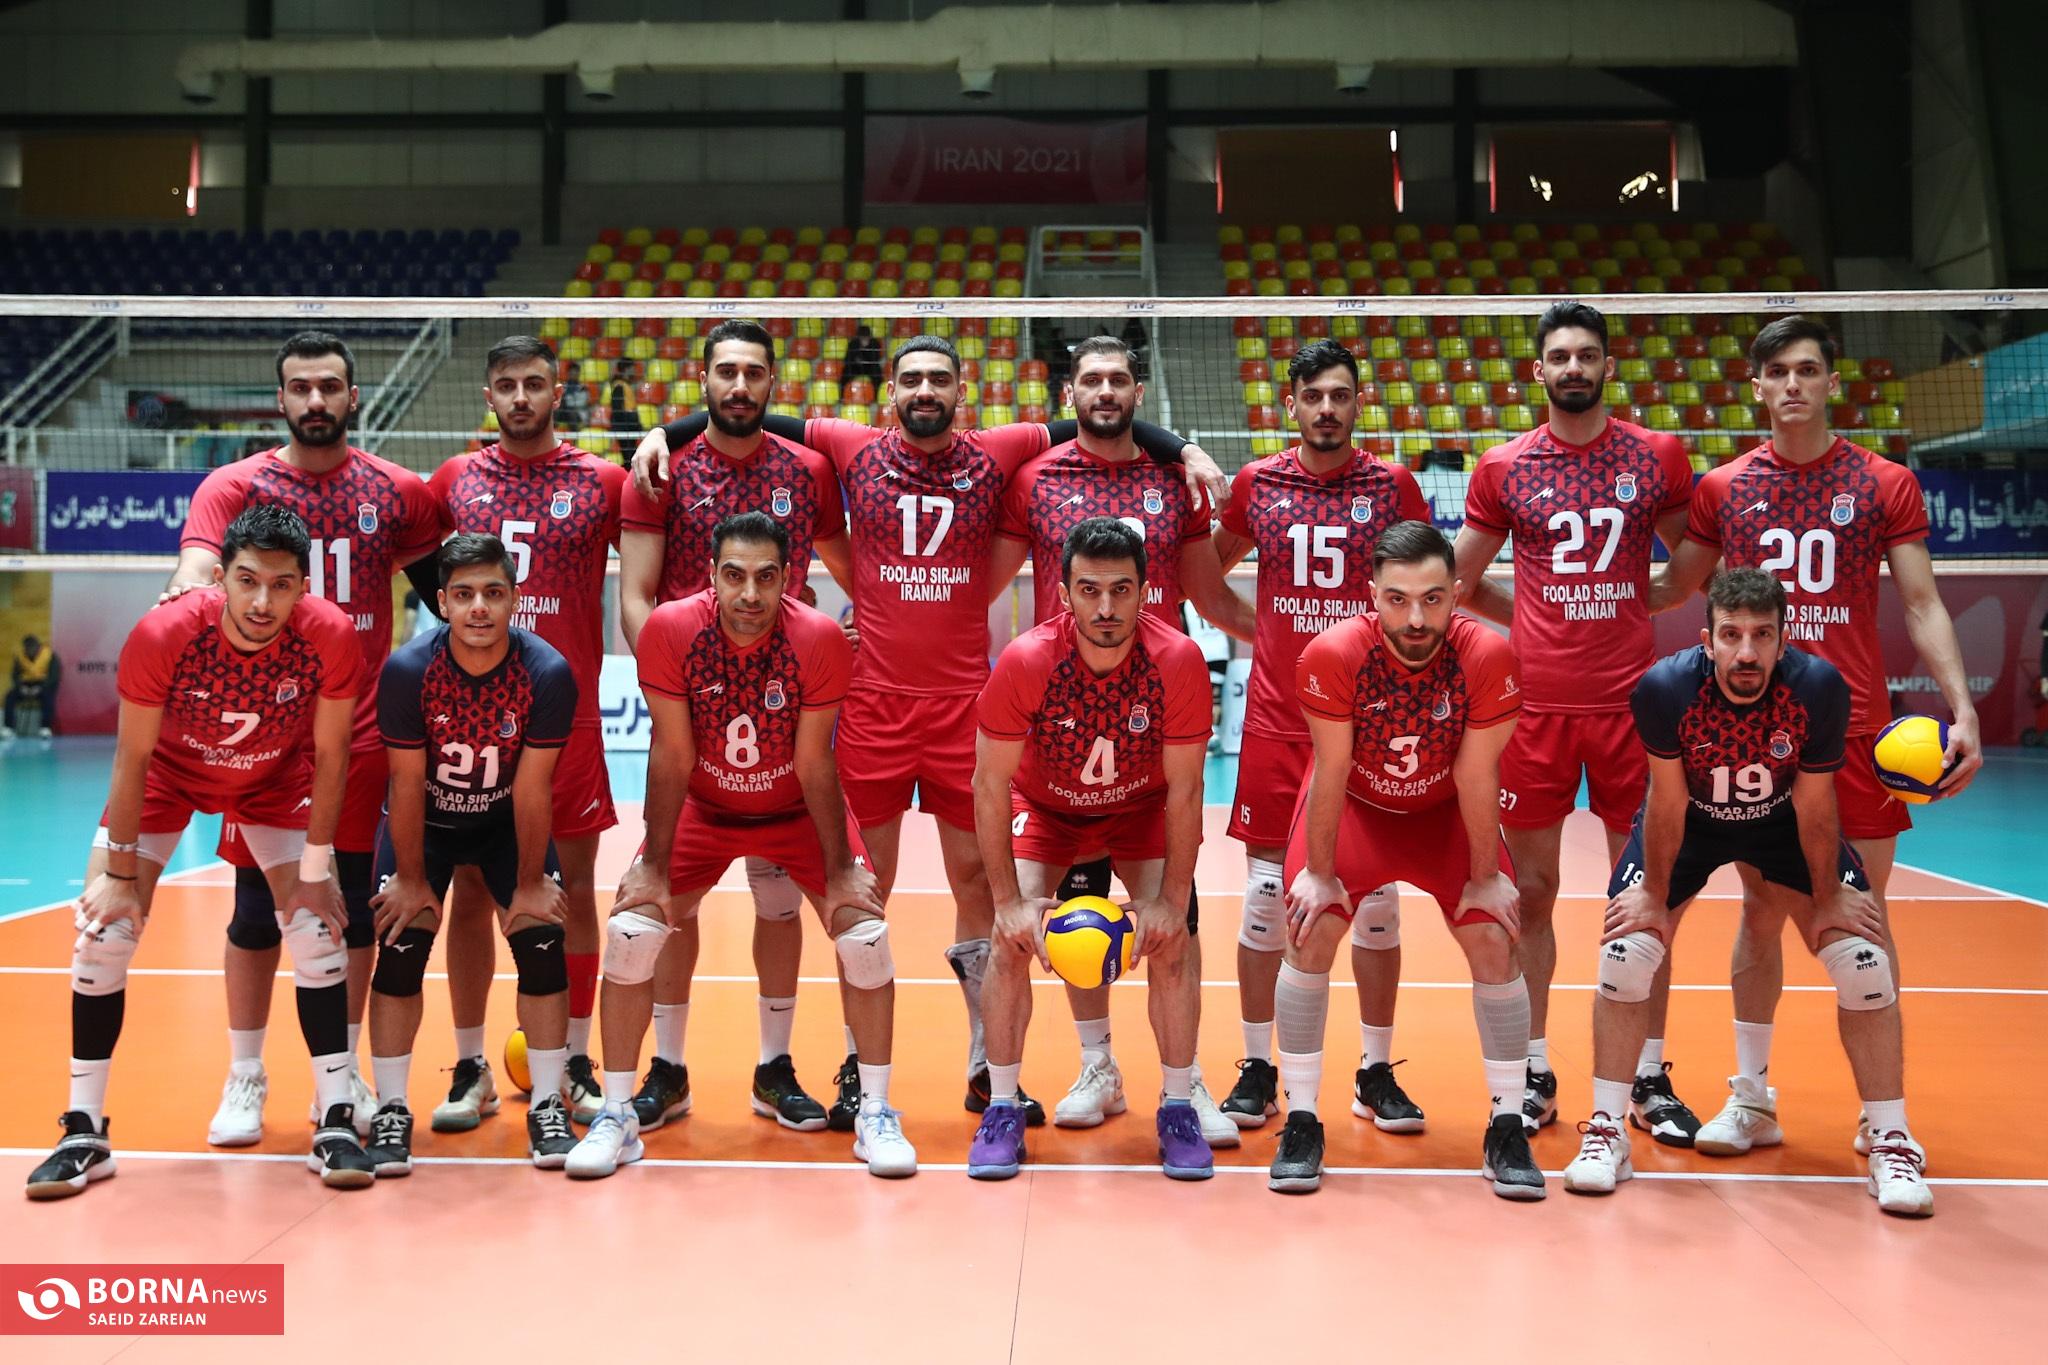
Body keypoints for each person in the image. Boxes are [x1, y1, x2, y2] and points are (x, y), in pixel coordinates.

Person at [629, 333, 1221, 1129]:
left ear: (961, 393)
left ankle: (984, 1062)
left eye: (940, 379)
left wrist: (1181, 448)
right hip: (872, 705)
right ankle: (855, 1066)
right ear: (890, 394)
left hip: (962, 706)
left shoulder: (996, 451)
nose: (925, 391)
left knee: (977, 882)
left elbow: (1095, 416)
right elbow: (753, 414)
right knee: (861, 889)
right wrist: (663, 431)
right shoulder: (853, 447)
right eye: (911, 379)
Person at [1653, 315, 1981, 1155]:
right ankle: (1752, 1099)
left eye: (1807, 369)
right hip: (1753, 735)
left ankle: (1883, 1117)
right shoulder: (1723, 488)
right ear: (1757, 386)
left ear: (1832, 381)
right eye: (1778, 371)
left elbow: (1920, 602)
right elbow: (1669, 589)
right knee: (1761, 910)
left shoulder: (1883, 482)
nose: (1793, 384)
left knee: (1861, 918)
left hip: (1857, 732)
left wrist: (1963, 707)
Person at [1563, 569, 1932, 1216]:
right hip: (1693, 822)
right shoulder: (1666, 689)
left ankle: (1891, 1139)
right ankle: (1606, 1131)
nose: (1746, 651)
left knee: (1864, 964)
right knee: (1626, 955)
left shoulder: (1817, 688)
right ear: (1707, 640)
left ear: (1784, 640)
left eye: (1762, 635)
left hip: (1782, 823)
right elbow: (1666, 801)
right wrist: (1654, 896)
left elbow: (1815, 803)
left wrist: (1829, 898)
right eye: (1731, 634)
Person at [27, 506, 370, 1199]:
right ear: (220, 577)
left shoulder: (329, 635)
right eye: (248, 580)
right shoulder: (165, 633)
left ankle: (336, 1118)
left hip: (275, 779)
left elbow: (334, 755)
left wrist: (313, 873)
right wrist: (120, 872)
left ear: (305, 586)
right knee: (103, 935)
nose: (263, 601)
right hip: (169, 776)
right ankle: (83, 1131)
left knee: (316, 928)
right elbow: (132, 756)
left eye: (280, 584)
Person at [565, 511, 912, 1179]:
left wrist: (841, 870)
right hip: (706, 805)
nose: (749, 593)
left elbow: (815, 761)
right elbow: (671, 753)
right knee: (633, 930)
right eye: (734, 576)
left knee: (866, 939)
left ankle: (875, 1112)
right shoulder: (672, 631)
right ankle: (617, 1114)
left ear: (788, 579)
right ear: (711, 576)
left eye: (764, 577)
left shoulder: (817, 639)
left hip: (794, 807)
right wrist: (654, 866)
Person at [171, 331, 447, 1148]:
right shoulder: (235, 486)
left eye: (330, 386)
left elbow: (447, 597)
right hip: (264, 734)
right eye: (301, 387)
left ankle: (342, 1068)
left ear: (354, 396)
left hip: (358, 733)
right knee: (256, 909)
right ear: (280, 397)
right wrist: (182, 592)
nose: (316, 400)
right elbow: (197, 568)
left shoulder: (396, 491)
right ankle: (244, 1073)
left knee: (350, 906)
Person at [988, 334, 1253, 1146]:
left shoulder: (1177, 479)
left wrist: (1281, 642)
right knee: (1063, 921)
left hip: (1147, 720)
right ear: (1069, 391)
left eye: (1119, 379)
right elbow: (982, 580)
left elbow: (1210, 592)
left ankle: (1184, 1080)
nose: (1105, 391)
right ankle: (1096, 1064)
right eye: (1091, 379)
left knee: (1176, 922)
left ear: (1140, 390)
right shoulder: (1034, 477)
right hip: (1060, 725)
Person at [1451, 301, 1699, 1143]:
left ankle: (1649, 1075)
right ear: (1539, 371)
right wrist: (1525, 617)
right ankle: (1533, 1066)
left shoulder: (1655, 455)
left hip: (1635, 709)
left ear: (1607, 365)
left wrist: (1633, 600)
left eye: (1587, 354)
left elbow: (1689, 564)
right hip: (1536, 711)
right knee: (1531, 891)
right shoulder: (1504, 466)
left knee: (1647, 892)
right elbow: (1459, 579)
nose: (1573, 367)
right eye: (1559, 355)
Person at [615, 320, 851, 1133]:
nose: (739, 385)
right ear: (704, 379)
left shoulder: (808, 469)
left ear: (773, 382)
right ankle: (668, 1068)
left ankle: (773, 1067)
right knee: (670, 905)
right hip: (695, 703)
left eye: (754, 372)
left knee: (778, 901)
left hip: (782, 705)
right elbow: (635, 595)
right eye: (726, 371)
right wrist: (675, 687)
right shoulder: (661, 468)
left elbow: (845, 562)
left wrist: (855, 627)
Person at [1278, 520, 1541, 1199]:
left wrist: (1485, 879)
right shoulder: (1334, 653)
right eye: (1397, 599)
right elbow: (1331, 768)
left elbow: (1477, 774)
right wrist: (1320, 873)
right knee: (1311, 926)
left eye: (1432, 598)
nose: (1415, 618)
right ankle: (1301, 1119)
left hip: (1442, 813)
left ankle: (1507, 1125)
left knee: (1493, 935)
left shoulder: (1488, 656)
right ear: (1372, 596)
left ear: (1458, 592)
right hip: (1359, 808)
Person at [1208, 340, 1432, 1134]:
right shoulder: (1256, 483)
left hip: (1373, 725)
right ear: (1291, 404)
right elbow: (1207, 575)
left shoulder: (1393, 485)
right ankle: (1257, 1066)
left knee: (1376, 902)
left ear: (1357, 402)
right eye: (1314, 396)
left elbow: (1424, 589)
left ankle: (1375, 1070)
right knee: (1267, 901)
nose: (1327, 408)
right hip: (1279, 721)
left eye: (1340, 394)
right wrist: (1262, 634)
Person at [968, 518, 1213, 1181]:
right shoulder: (1028, 660)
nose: (1106, 607)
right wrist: (1006, 903)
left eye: (1121, 589)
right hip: (1048, 809)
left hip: (1140, 807)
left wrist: (1171, 903)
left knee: (1173, 937)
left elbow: (1188, 789)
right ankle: (1003, 1106)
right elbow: (988, 784)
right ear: (1064, 593)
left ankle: (1178, 1105)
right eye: (1090, 590)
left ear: (1146, 591)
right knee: (1007, 940)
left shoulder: (1177, 659)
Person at [427, 336, 627, 1130]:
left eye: (534, 383)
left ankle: (573, 1058)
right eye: (506, 384)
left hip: (565, 721)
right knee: (472, 890)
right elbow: (415, 565)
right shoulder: (454, 479)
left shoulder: (602, 481)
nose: (520, 397)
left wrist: (661, 436)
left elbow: (661, 555)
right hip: (471, 721)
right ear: (488, 394)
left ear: (556, 390)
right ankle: (470, 1065)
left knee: (572, 888)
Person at [359, 534, 578, 1176]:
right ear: (443, 602)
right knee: (401, 942)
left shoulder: (546, 673)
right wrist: (409, 878)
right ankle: (393, 1109)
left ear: (514, 598)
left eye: (492, 593)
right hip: (427, 823)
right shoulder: (408, 671)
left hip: (505, 824)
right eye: (463, 595)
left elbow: (534, 788)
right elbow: (404, 783)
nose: (478, 607)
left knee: (541, 937)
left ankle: (547, 1104)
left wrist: (531, 883)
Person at [2, 633, 56, 738]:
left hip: (42, 684)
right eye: (28, 648)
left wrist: (40, 688)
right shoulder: (20, 657)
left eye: (33, 648)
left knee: (48, 697)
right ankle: (8, 728)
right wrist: (21, 688)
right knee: (10, 696)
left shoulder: (50, 655)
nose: (30, 651)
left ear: (38, 646)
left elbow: (54, 677)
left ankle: (45, 728)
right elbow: (15, 675)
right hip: (25, 685)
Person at [607, 359, 643, 451]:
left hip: (629, 425)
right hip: (625, 426)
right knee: (628, 453)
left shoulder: (625, 384)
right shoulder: (619, 386)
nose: (634, 370)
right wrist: (630, 423)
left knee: (631, 453)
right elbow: (617, 409)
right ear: (626, 369)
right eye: (632, 367)